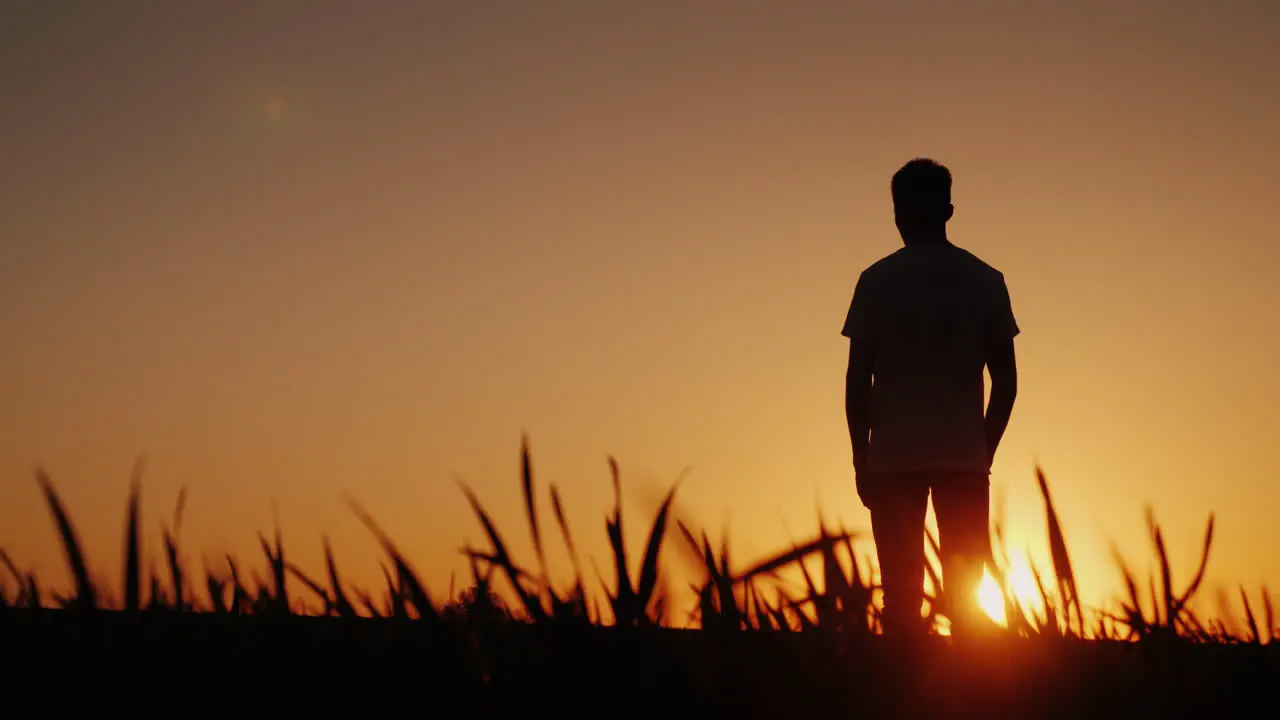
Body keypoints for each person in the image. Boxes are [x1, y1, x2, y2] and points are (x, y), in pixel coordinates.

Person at [842, 158, 1019, 638]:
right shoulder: (986, 280)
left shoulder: (876, 281)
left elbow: (858, 380)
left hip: (893, 458)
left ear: (899, 214)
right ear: (948, 210)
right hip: (963, 458)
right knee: (965, 599)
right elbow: (1006, 381)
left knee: (899, 598)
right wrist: (983, 448)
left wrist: (862, 456)